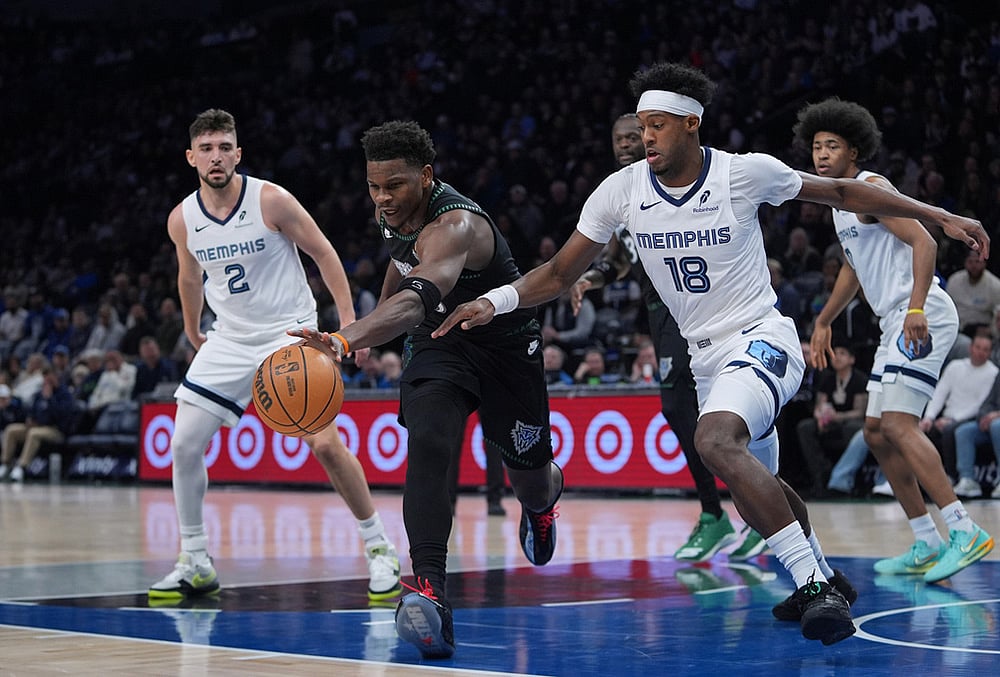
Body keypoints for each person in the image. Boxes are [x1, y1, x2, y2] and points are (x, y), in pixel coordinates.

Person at [436, 62, 988, 645]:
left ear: (691, 124)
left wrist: (939, 215)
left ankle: (814, 588)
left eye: (658, 125)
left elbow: (846, 192)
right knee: (757, 493)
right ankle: (827, 576)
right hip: (704, 358)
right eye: (642, 127)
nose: (646, 137)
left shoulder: (743, 173)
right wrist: (494, 301)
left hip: (761, 337)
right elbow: (556, 273)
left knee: (714, 441)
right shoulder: (621, 190)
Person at [290, 120, 562, 659]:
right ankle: (430, 590)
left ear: (426, 176)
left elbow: (417, 298)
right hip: (441, 340)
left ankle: (542, 501)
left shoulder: (456, 224)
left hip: (505, 346)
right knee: (430, 440)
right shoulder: (390, 213)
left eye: (394, 185)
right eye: (374, 186)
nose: (382, 197)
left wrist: (346, 338)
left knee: (529, 478)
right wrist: (373, 325)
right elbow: (402, 271)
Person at [149, 109, 400, 605]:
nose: (216, 157)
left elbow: (324, 253)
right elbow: (188, 275)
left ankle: (380, 548)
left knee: (325, 445)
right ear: (191, 157)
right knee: (183, 445)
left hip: (290, 334)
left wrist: (349, 326)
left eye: (225, 147)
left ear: (238, 154)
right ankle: (195, 561)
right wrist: (192, 328)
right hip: (230, 339)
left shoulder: (271, 199)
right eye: (207, 149)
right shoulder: (182, 219)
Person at [795, 97, 994, 585]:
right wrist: (824, 320)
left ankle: (964, 530)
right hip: (894, 321)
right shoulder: (840, 205)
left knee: (900, 426)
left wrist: (917, 308)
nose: (822, 155)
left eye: (832, 146)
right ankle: (927, 540)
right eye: (817, 147)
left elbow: (925, 241)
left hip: (920, 315)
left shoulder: (870, 187)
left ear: (854, 151)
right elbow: (853, 269)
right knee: (875, 431)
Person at [569, 113, 763, 563]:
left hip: (697, 310)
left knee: (702, 410)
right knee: (684, 411)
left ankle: (741, 513)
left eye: (633, 136)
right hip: (659, 315)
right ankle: (724, 514)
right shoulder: (622, 194)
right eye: (618, 138)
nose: (625, 144)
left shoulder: (674, 185)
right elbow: (620, 259)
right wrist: (591, 279)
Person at [918, 334, 997, 479]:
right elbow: (939, 393)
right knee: (924, 430)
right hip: (948, 416)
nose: (980, 352)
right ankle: (922, 476)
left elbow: (981, 404)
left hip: (971, 417)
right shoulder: (955, 366)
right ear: (971, 348)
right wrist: (929, 417)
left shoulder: (993, 373)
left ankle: (951, 476)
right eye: (978, 347)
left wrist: (953, 419)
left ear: (990, 353)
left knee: (950, 430)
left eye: (985, 349)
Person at [795, 340, 868, 497]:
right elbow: (819, 405)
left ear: (852, 359)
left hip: (849, 421)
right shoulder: (827, 378)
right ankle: (821, 474)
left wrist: (838, 417)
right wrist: (820, 416)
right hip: (829, 421)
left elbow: (859, 412)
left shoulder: (859, 379)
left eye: (842, 354)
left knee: (855, 429)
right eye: (835, 353)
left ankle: (848, 479)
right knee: (805, 427)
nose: (837, 357)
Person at [0, 366, 75, 482]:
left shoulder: (65, 394)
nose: (46, 381)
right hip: (37, 426)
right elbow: (32, 411)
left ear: (55, 377)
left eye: (49, 378)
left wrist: (49, 399)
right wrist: (30, 419)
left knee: (34, 433)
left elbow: (61, 416)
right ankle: (5, 464)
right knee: (11, 430)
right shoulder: (39, 394)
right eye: (45, 378)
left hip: (55, 430)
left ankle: (22, 466)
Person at [953, 369, 1000, 499]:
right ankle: (968, 480)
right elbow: (988, 402)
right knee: (964, 431)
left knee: (997, 426)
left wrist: (997, 415)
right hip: (993, 423)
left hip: (997, 423)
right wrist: (984, 416)